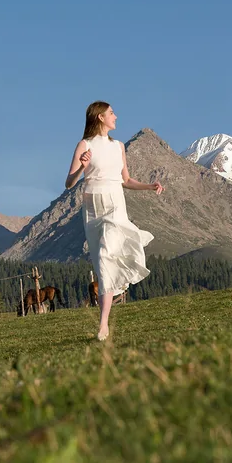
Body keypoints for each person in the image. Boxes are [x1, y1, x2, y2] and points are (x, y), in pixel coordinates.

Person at [65, 101, 163, 341]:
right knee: (102, 264)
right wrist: (82, 168)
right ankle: (105, 321)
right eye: (111, 113)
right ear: (100, 117)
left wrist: (150, 186)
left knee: (107, 254)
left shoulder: (119, 146)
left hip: (116, 203)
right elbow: (69, 182)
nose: (116, 117)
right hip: (93, 206)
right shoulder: (85, 145)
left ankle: (102, 324)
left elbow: (126, 180)